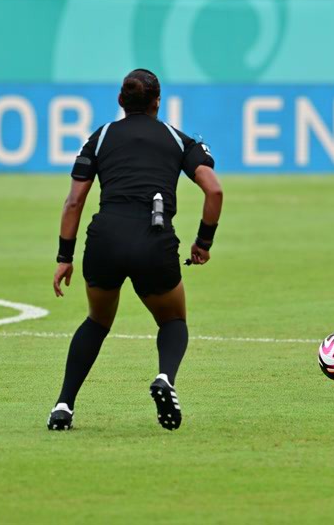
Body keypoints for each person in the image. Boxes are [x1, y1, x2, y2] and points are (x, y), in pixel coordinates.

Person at [48, 69, 222, 432]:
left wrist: (65, 257)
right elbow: (214, 191)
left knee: (97, 321)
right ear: (158, 101)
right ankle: (164, 378)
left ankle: (63, 405)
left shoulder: (101, 137)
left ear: (120, 101)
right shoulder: (177, 139)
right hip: (153, 241)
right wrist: (202, 243)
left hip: (105, 239)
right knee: (172, 321)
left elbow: (74, 201)